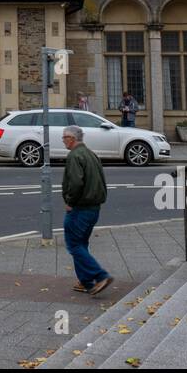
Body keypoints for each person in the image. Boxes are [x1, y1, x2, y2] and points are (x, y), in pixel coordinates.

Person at [62, 125, 113, 296]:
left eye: (64, 137)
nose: (63, 141)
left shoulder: (74, 156)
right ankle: (85, 281)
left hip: (80, 208)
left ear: (72, 138)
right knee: (81, 243)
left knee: (74, 245)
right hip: (93, 208)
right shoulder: (91, 154)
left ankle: (100, 276)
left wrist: (70, 201)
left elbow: (76, 183)